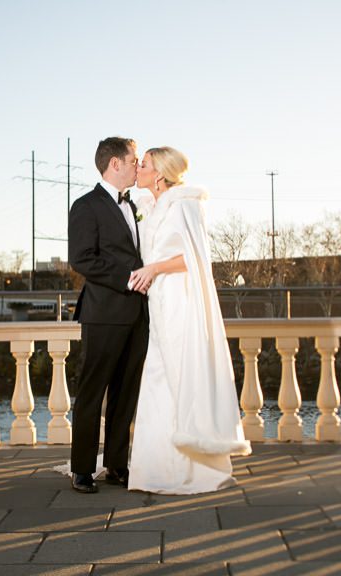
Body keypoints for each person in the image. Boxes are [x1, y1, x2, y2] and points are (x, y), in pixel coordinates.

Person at [126, 146, 251, 495]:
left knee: (180, 375)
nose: (138, 168)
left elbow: (194, 258)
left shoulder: (184, 204)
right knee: (158, 380)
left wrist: (153, 268)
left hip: (180, 300)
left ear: (161, 174)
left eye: (145, 164)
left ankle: (194, 469)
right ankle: (156, 469)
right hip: (161, 302)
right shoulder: (154, 208)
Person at [67, 137, 148, 494]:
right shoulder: (86, 206)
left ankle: (117, 465)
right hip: (103, 314)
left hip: (138, 316)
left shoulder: (135, 204)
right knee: (92, 393)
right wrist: (129, 280)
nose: (137, 166)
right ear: (114, 164)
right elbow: (82, 259)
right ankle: (82, 469)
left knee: (125, 393)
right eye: (133, 161)